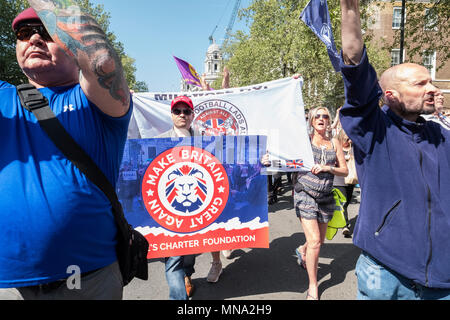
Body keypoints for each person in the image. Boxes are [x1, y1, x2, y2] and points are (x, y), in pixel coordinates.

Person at [0, 3, 132, 300]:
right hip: (8, 285)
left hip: (88, 281)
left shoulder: (95, 101)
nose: (33, 39)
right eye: (24, 33)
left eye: (46, 31)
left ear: (72, 43)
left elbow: (102, 61)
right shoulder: (3, 99)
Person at [339, 0, 450, 300]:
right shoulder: (374, 130)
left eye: (431, 81)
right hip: (387, 275)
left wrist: (442, 117)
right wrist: (350, 8)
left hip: (443, 277)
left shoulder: (441, 135)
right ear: (391, 96)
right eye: (420, 83)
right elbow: (355, 65)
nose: (432, 88)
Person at [293, 107, 348, 300]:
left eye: (325, 116)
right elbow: (286, 156)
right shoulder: (305, 141)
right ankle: (313, 285)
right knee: (315, 241)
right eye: (318, 116)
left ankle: (302, 249)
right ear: (311, 120)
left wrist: (328, 168)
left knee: (318, 242)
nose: (321, 119)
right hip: (305, 194)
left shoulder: (335, 143)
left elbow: (345, 170)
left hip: (325, 197)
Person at [156, 95, 199, 299]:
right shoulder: (160, 140)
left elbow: (227, 161)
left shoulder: (204, 140)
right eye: (177, 111)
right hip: (169, 209)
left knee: (190, 252)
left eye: (186, 111)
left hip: (197, 208)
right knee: (173, 258)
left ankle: (187, 275)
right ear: (172, 115)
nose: (182, 114)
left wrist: (259, 158)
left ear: (192, 115)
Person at [332, 129, 356, 237]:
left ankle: (340, 220)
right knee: (343, 202)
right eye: (347, 139)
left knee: (347, 202)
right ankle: (345, 226)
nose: (349, 141)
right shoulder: (337, 148)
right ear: (341, 138)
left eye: (350, 138)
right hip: (338, 180)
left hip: (350, 179)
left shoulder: (353, 148)